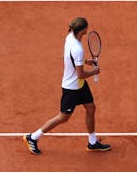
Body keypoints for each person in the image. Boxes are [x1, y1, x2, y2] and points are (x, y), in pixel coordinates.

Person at [23, 17, 110, 154]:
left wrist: (84, 61)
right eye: (86, 28)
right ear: (83, 30)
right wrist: (94, 71)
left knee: (91, 107)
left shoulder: (69, 37)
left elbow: (65, 57)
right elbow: (80, 74)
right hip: (72, 88)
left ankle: (92, 142)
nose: (87, 29)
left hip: (80, 85)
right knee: (63, 117)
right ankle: (32, 137)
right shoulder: (78, 49)